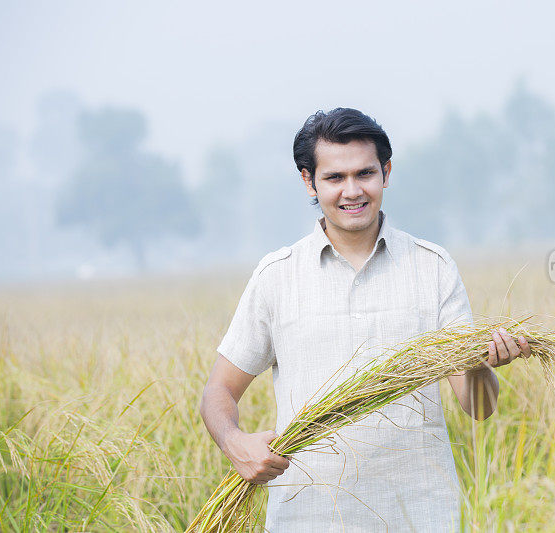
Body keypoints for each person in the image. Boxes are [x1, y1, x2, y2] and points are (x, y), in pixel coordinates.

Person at [200, 108, 531, 532]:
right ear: (309, 181)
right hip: (308, 517)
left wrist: (479, 364)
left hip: (421, 514)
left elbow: (479, 408)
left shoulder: (431, 267)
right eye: (335, 178)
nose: (352, 191)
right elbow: (219, 390)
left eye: (365, 173)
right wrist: (234, 443)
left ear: (386, 173)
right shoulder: (277, 276)